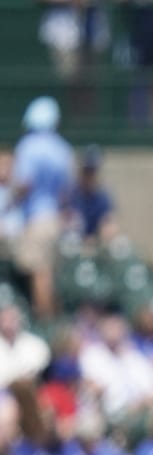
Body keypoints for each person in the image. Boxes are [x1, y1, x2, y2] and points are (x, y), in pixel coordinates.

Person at [8, 98, 74, 320]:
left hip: (37, 218)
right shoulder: (62, 148)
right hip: (55, 218)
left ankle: (44, 321)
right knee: (50, 272)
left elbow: (25, 183)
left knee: (40, 273)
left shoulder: (28, 146)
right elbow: (66, 191)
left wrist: (10, 203)